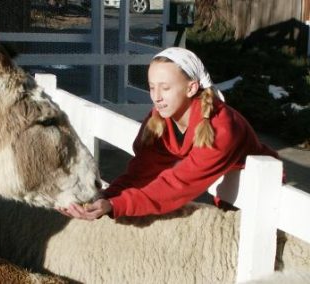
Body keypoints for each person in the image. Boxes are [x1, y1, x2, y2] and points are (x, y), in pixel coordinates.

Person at [58, 47, 279, 220]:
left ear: (191, 88)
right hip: (222, 190)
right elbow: (140, 173)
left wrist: (118, 205)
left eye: (165, 88)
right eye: (152, 87)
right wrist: (105, 197)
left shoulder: (221, 129)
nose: (156, 97)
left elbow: (176, 185)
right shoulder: (158, 121)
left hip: (262, 197)